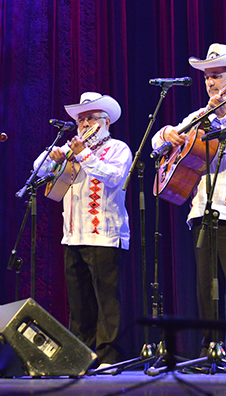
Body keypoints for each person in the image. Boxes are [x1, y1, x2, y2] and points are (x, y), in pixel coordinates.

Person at [151, 44, 226, 363]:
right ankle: (212, 351)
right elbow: (157, 142)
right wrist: (167, 135)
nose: (210, 82)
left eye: (217, 75)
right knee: (208, 290)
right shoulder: (198, 115)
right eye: (207, 77)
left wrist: (223, 114)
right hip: (202, 210)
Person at [33, 92, 132, 367]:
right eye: (81, 119)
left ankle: (109, 358)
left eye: (91, 118)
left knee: (107, 303)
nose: (85, 124)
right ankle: (81, 356)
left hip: (105, 236)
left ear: (106, 122)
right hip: (73, 235)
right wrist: (53, 157)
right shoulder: (70, 150)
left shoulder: (118, 149)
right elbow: (37, 170)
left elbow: (113, 177)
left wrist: (84, 154)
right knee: (79, 305)